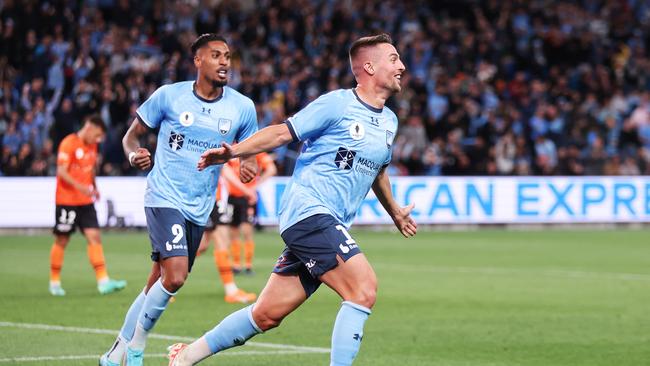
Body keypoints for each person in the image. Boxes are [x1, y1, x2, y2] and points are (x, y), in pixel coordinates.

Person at [167, 33, 417, 366]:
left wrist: (395, 211)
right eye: (394, 58)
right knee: (363, 289)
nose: (401, 66)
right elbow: (283, 132)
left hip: (326, 223)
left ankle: (185, 357)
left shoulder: (389, 121)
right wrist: (234, 152)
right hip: (310, 213)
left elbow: (378, 170)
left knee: (266, 315)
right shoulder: (337, 104)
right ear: (369, 66)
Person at [99, 33, 258, 366]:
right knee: (175, 276)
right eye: (216, 55)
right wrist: (133, 157)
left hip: (199, 207)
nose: (225, 61)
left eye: (227, 55)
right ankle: (137, 349)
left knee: (157, 282)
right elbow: (131, 137)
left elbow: (249, 152)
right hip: (164, 196)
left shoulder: (242, 107)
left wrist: (247, 165)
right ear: (198, 61)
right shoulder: (169, 96)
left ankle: (116, 354)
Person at [49, 114, 126, 296]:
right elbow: (61, 172)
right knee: (62, 239)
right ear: (89, 127)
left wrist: (94, 187)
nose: (98, 139)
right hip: (67, 200)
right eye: (97, 135)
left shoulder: (93, 145)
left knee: (94, 237)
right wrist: (81, 187)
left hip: (85, 201)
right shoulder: (68, 143)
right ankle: (54, 282)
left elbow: (90, 170)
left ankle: (103, 281)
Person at [195, 165, 257, 304]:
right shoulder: (215, 145)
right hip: (212, 199)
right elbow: (224, 169)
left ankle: (165, 282)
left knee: (202, 245)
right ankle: (231, 291)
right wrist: (246, 190)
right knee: (222, 242)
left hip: (210, 199)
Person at [226, 151, 277, 275]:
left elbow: (272, 169)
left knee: (247, 231)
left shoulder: (254, 150)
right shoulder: (231, 150)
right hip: (232, 196)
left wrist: (255, 186)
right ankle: (236, 265)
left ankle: (248, 266)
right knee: (233, 231)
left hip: (248, 197)